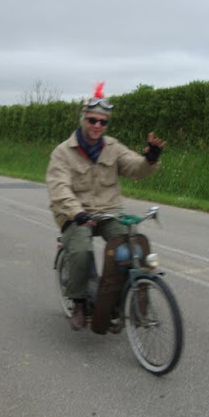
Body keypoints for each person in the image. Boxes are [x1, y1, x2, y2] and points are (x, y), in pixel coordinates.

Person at [46, 82, 166, 330]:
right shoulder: (62, 152)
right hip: (75, 213)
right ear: (84, 119)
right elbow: (59, 187)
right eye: (92, 120)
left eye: (103, 122)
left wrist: (150, 159)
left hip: (108, 211)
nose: (98, 126)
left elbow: (134, 167)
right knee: (80, 250)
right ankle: (79, 302)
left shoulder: (113, 147)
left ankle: (117, 300)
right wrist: (76, 213)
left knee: (128, 248)